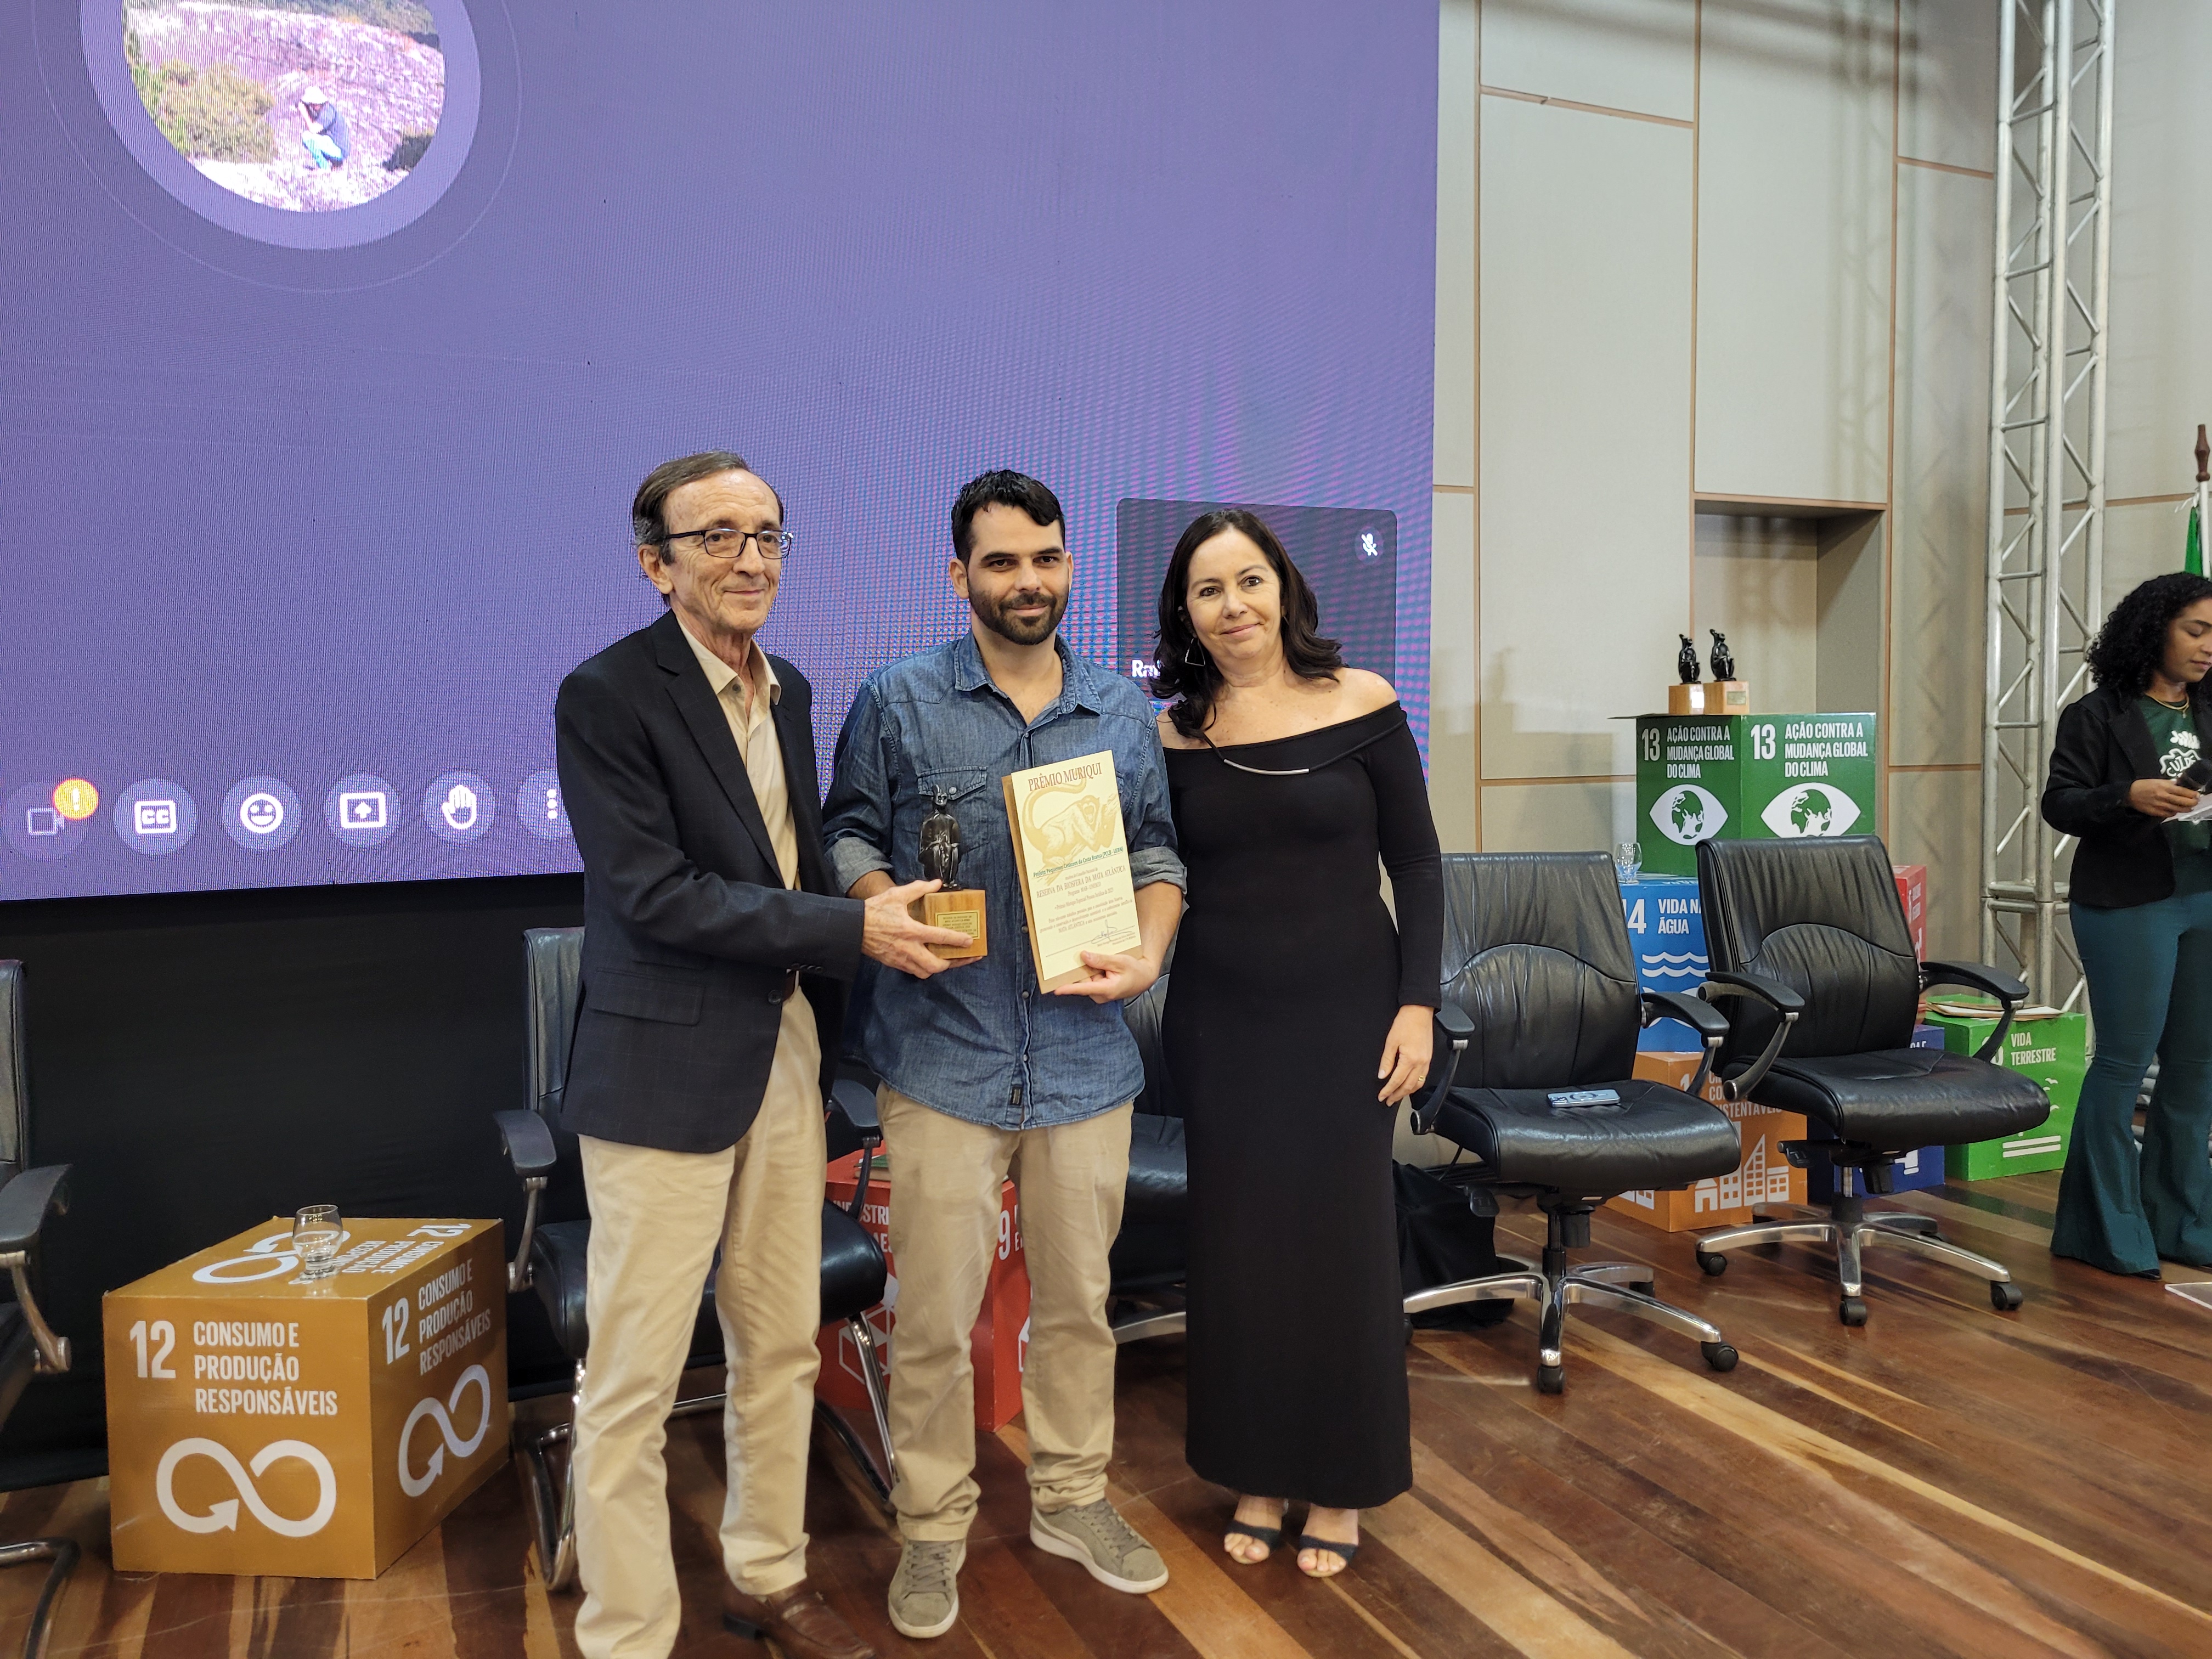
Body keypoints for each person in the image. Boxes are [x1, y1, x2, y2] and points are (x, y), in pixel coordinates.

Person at [555, 450, 966, 1659]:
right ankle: (627, 1632)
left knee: (782, 1342)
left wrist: (881, 908)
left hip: (783, 1049)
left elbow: (786, 864)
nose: (751, 558)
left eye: (768, 535)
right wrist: (853, 928)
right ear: (657, 564)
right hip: (661, 1072)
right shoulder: (606, 693)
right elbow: (656, 894)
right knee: (632, 1379)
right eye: (719, 537)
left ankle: (768, 1577)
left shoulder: (787, 688)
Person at [822, 470, 1186, 1640]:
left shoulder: (1118, 710)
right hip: (943, 1055)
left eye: (1045, 558)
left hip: (1085, 1061)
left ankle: (1073, 1498)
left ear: (1067, 563)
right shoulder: (898, 698)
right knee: (933, 1319)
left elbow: (1158, 853)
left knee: (1079, 1305)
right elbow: (846, 832)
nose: (1028, 582)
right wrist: (879, 903)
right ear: (959, 574)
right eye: (1001, 562)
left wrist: (1149, 950)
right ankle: (932, 1525)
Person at [1150, 508, 1441, 1579]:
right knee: (1238, 1254)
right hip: (1222, 1022)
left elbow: (1418, 864)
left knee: (1341, 1248)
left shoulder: (1363, 701)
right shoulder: (1170, 734)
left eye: (1249, 580)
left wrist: (1418, 1004)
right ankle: (1255, 1473)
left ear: (1283, 588)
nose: (1233, 605)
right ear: (1185, 613)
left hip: (1349, 1018)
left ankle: (1343, 1482)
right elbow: (1147, 873)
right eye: (1208, 589)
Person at [2041, 571, 2212, 1277]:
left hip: (2205, 898)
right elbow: (2060, 803)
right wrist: (2127, 796)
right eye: (2196, 630)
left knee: (2196, 1068)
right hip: (2128, 902)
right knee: (2124, 1061)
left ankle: (2183, 1223)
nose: (2209, 646)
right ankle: (2104, 1229)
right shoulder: (2096, 716)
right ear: (2153, 631)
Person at [299, 86, 351, 170]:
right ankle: (332, 166)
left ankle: (324, 168)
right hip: (337, 147)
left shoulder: (327, 113)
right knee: (311, 139)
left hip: (340, 151)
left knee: (307, 137)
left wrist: (304, 112)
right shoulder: (326, 109)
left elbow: (313, 130)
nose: (311, 106)